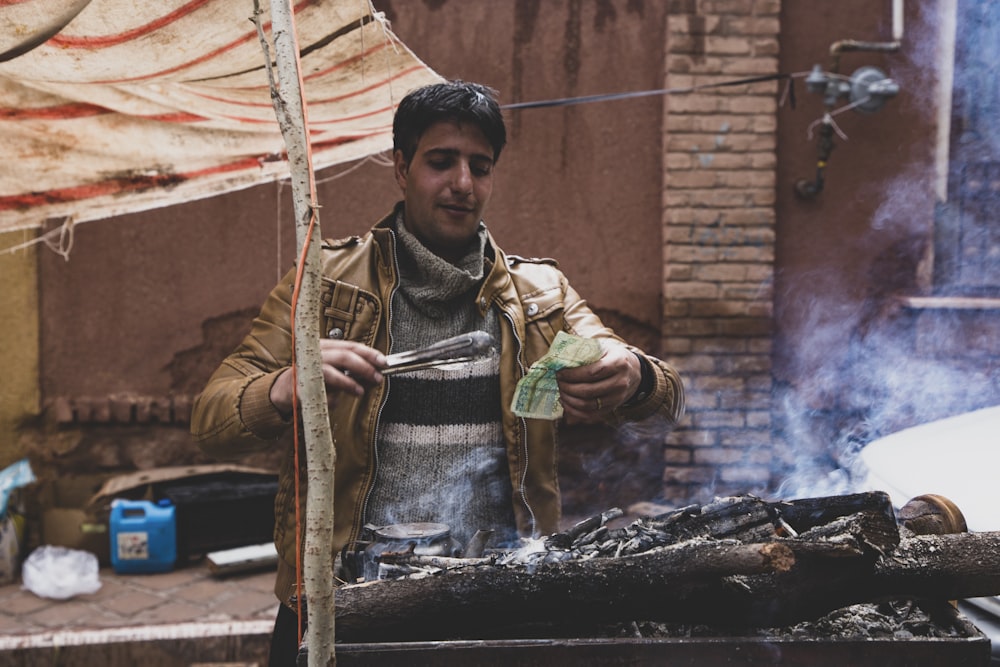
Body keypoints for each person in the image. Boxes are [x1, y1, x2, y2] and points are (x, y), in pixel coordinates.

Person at [190, 80, 685, 664]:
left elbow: (667, 399)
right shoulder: (324, 285)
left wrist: (633, 375)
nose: (462, 184)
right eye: (441, 162)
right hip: (345, 600)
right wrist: (282, 387)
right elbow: (211, 416)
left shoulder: (540, 296)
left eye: (481, 166)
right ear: (401, 168)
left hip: (498, 598)